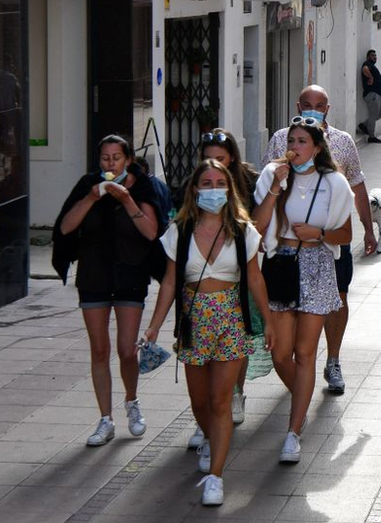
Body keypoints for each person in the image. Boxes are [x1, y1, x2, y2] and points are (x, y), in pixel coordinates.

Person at [143, 160, 274, 506]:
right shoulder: (180, 230)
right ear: (195, 189)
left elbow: (256, 279)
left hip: (230, 318)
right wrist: (155, 325)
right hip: (193, 321)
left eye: (220, 182)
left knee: (220, 401)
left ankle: (216, 475)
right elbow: (170, 281)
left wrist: (268, 322)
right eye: (207, 182)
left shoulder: (243, 231)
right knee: (200, 402)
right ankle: (211, 441)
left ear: (229, 189)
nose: (213, 189)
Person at [262, 85, 378, 394]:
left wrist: (368, 228)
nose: (313, 108)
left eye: (319, 104)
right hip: (288, 245)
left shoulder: (342, 141)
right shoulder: (280, 140)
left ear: (327, 108)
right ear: (298, 105)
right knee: (290, 306)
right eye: (307, 104)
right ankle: (302, 378)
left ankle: (334, 359)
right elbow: (266, 186)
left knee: (338, 297)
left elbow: (357, 185)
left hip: (330, 241)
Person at [254, 117, 354, 463]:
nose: (294, 147)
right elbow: (256, 226)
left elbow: (346, 235)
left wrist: (321, 235)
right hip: (280, 266)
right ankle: (303, 395)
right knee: (281, 354)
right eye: (291, 141)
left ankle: (293, 432)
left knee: (305, 352)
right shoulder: (272, 176)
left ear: (317, 147)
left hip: (316, 266)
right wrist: (274, 189)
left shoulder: (335, 183)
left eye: (301, 142)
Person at [53, 135, 161, 447]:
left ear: (127, 159)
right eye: (105, 158)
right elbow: (65, 228)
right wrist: (91, 198)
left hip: (130, 272)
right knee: (99, 349)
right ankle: (105, 419)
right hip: (94, 274)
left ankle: (132, 401)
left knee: (127, 349)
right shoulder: (88, 185)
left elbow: (152, 232)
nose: (110, 164)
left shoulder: (142, 186)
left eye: (116, 158)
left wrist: (127, 200)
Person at [189, 129, 262, 436]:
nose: (213, 164)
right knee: (201, 352)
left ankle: (235, 393)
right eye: (208, 159)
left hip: (240, 272)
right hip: (203, 281)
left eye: (219, 158)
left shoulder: (250, 181)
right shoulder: (199, 185)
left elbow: (261, 224)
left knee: (238, 339)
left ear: (231, 156)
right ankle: (205, 414)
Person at [359, 49, 381, 143]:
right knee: (373, 115)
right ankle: (371, 136)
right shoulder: (367, 64)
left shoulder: (373, 66)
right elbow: (364, 69)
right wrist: (370, 77)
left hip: (377, 95)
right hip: (372, 94)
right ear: (368, 57)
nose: (375, 57)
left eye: (375, 56)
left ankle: (364, 125)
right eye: (372, 56)